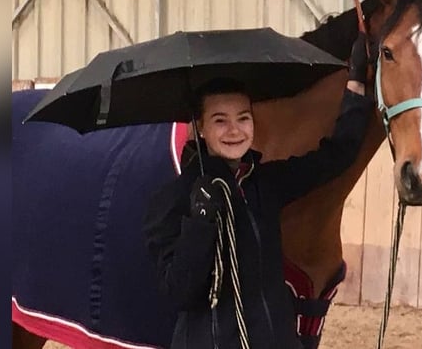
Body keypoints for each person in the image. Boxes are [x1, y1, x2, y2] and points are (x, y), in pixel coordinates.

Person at [142, 33, 372, 349]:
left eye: (243, 118)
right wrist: (200, 222)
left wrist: (356, 85)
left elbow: (336, 156)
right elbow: (180, 292)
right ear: (201, 128)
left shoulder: (265, 184)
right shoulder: (171, 201)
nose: (234, 130)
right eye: (220, 121)